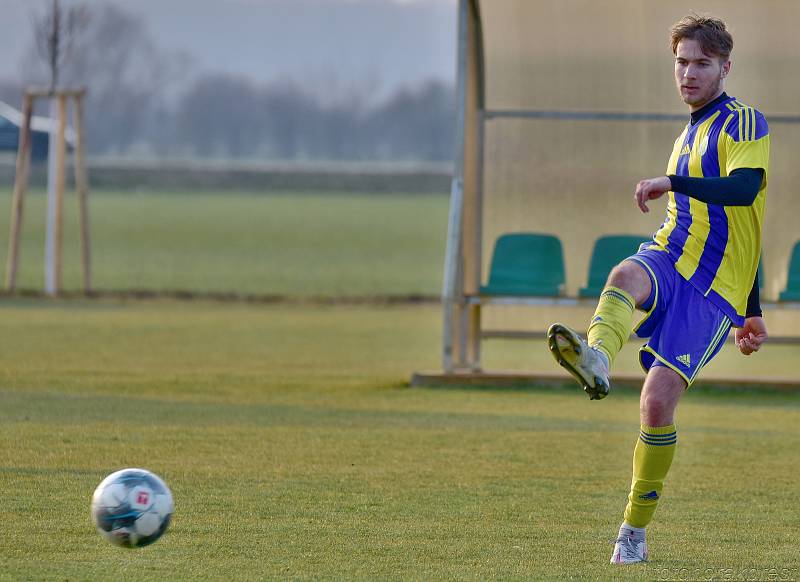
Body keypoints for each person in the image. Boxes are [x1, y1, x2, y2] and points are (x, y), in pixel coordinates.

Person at [546, 13, 770, 565]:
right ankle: (597, 358)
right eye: (681, 62)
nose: (689, 74)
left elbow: (745, 199)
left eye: (701, 63)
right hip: (671, 256)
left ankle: (633, 532)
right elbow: (741, 222)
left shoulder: (744, 122)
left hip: (713, 291)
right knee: (623, 274)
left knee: (656, 402)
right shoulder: (687, 135)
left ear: (724, 67)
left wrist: (750, 309)